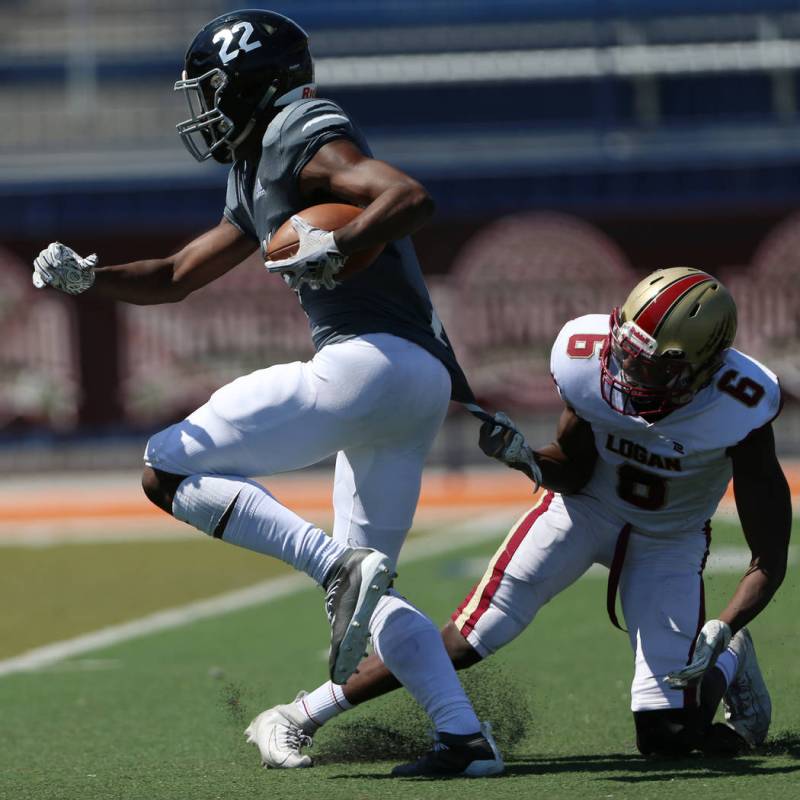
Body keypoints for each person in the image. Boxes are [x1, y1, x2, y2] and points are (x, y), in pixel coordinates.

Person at [30, 9, 504, 778]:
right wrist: (91, 279)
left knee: (164, 467)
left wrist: (339, 243)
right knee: (376, 601)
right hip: (412, 386)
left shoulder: (295, 128)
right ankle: (464, 738)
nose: (204, 109)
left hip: (364, 366)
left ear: (253, 81)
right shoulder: (257, 164)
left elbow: (409, 198)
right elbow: (181, 274)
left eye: (212, 90)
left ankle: (330, 565)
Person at [258, 266, 792, 768]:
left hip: (668, 539)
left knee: (668, 739)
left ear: (700, 366)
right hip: (584, 509)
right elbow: (574, 471)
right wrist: (528, 460)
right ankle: (301, 714)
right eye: (625, 352)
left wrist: (725, 627)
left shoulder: (740, 406)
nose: (625, 371)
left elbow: (768, 558)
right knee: (469, 635)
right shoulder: (588, 363)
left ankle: (730, 662)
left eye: (650, 365)